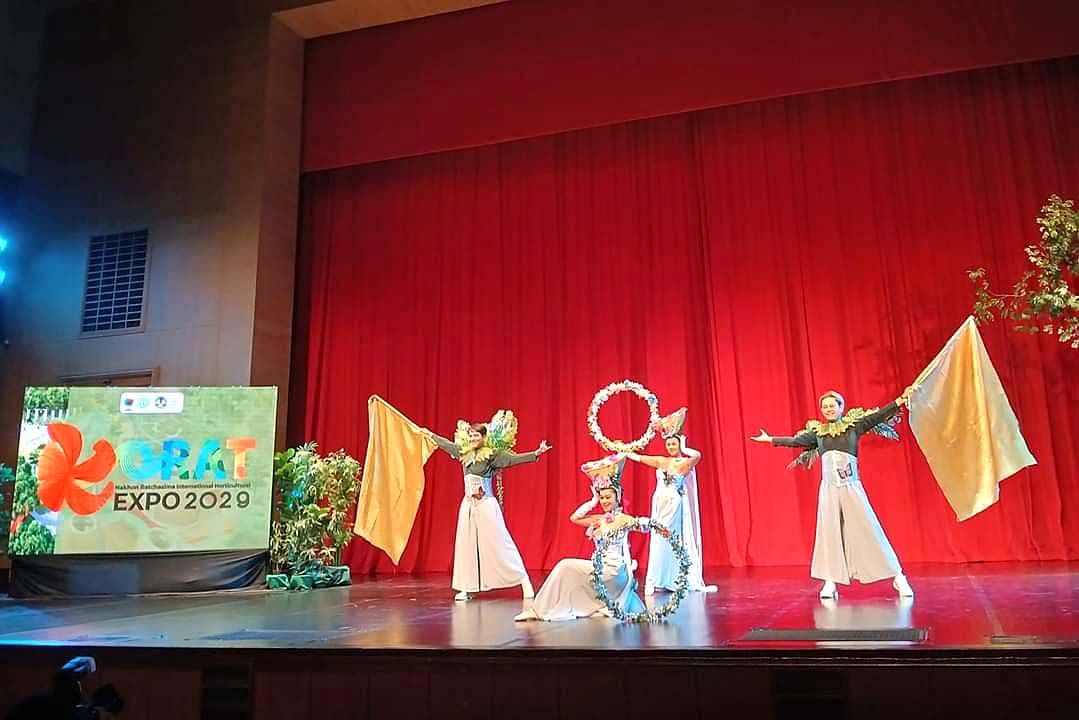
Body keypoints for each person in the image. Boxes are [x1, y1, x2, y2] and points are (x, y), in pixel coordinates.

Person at [750, 387, 916, 599]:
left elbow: (879, 415)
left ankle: (898, 577)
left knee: (869, 530)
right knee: (829, 534)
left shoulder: (854, 426)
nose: (828, 409)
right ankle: (830, 581)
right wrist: (770, 439)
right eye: (825, 406)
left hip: (851, 487)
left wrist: (901, 399)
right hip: (828, 490)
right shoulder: (818, 433)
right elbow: (794, 441)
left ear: (840, 407)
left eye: (832, 405)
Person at [423, 411, 551, 601]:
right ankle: (468, 587)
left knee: (500, 543)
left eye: (476, 435)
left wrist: (535, 454)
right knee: (467, 546)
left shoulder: (491, 455)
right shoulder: (463, 453)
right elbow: (446, 445)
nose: (473, 438)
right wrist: (430, 434)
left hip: (486, 505)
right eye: (471, 435)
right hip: (468, 506)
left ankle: (524, 581)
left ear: (483, 437)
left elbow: (512, 460)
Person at [514, 454, 647, 621]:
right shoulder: (599, 519)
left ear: (618, 497)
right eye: (602, 498)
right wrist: (593, 501)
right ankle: (538, 609)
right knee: (566, 570)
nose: (604, 501)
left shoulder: (624, 519)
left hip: (614, 571)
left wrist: (657, 527)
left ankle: (537, 610)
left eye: (608, 497)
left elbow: (644, 525)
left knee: (565, 565)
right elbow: (574, 518)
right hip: (600, 567)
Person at [624, 408, 717, 595]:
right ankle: (658, 579)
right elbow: (638, 458)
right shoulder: (661, 461)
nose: (671, 447)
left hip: (673, 504)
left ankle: (671, 580)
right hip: (659, 502)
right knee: (657, 538)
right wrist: (623, 450)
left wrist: (684, 447)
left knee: (666, 536)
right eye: (669, 444)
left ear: (679, 443)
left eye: (674, 444)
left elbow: (697, 456)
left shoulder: (684, 463)